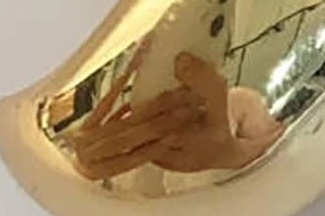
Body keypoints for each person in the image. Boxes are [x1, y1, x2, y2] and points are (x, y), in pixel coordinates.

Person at [70, 43, 283, 182]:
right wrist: (84, 168)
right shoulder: (116, 133)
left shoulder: (241, 103)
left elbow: (285, 153)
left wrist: (230, 154)